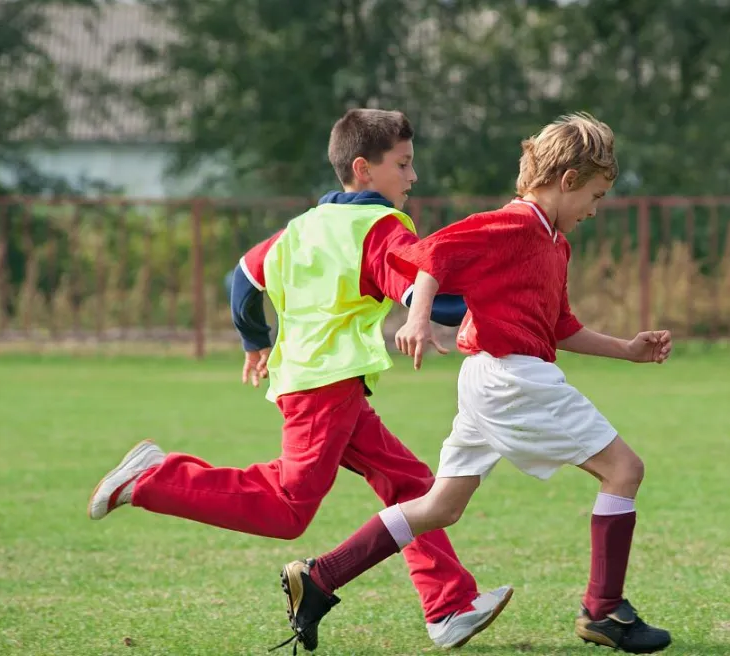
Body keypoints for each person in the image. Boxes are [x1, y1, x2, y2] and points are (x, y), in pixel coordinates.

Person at [86, 109, 512, 652]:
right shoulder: (380, 228)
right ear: (364, 168)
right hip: (323, 388)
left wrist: (253, 338)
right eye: (403, 165)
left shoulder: (304, 225)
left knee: (410, 484)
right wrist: (497, 304)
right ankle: (153, 479)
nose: (413, 177)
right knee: (288, 508)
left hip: (319, 383)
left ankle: (449, 605)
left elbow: (239, 277)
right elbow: (422, 296)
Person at [274, 113, 673, 654]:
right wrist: (416, 318)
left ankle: (320, 577)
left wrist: (626, 349)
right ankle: (603, 610)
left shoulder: (554, 242)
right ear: (569, 180)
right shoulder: (514, 226)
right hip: (513, 377)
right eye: (596, 196)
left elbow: (559, 326)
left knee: (441, 505)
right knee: (624, 470)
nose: (595, 210)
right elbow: (432, 253)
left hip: (490, 376)